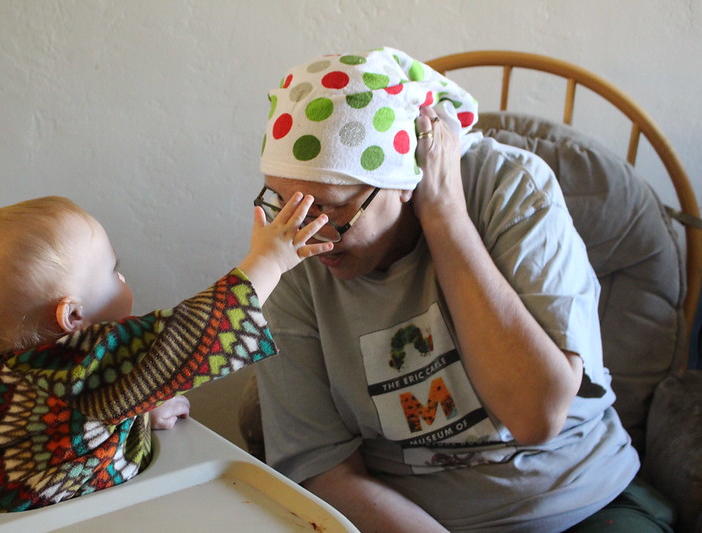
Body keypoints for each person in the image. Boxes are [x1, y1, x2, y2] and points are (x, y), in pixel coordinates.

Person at [253, 47, 669, 532]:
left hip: (584, 503)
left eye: (335, 210)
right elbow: (322, 469)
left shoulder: (510, 189)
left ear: (403, 178)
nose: (306, 234)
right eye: (283, 203)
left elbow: (536, 416)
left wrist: (445, 214)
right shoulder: (287, 251)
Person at [0, 194, 333, 512]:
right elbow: (195, 335)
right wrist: (270, 261)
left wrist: (136, 409)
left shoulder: (19, 363)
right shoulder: (77, 363)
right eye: (114, 270)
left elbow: (77, 415)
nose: (123, 278)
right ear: (74, 316)